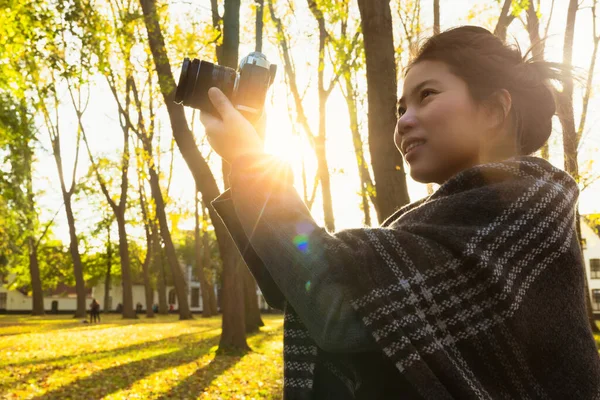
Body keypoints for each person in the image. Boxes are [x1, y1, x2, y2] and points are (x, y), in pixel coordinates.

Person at [201, 26, 600, 399]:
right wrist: (250, 159)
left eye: (427, 95)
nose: (404, 122)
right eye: (399, 109)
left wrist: (250, 160)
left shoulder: (523, 216)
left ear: (494, 109)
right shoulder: (437, 222)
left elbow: (336, 309)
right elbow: (299, 287)